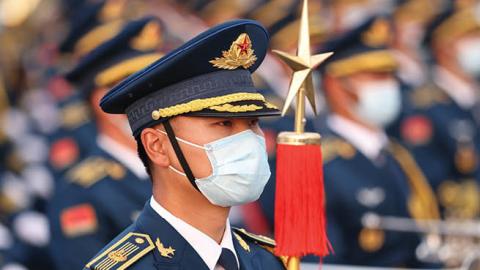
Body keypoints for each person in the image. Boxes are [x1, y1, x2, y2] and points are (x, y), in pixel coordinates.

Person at [83, 19, 286, 270]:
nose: (248, 141)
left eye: (253, 123)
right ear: (157, 146)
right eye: (224, 124)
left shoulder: (269, 261)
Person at [317, 16, 440, 267]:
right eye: (375, 77)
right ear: (336, 84)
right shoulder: (320, 162)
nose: (389, 85)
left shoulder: (395, 152)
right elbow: (324, 261)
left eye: (389, 75)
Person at [47, 17, 163, 269]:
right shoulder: (78, 195)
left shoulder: (178, 162)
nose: (156, 101)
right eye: (140, 91)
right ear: (103, 101)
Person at [399, 4, 480, 219]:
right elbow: (431, 181)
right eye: (470, 37)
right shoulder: (423, 108)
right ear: (444, 47)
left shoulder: (472, 97)